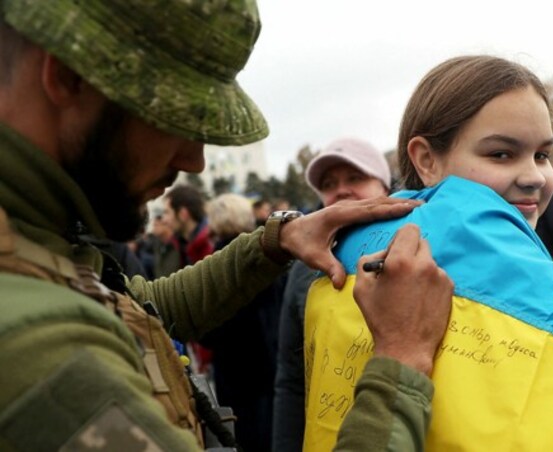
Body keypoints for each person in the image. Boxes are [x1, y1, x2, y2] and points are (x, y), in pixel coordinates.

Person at [0, 1, 451, 450]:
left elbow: (141, 306)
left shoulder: (36, 241)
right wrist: (401, 359)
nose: (193, 160)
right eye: (176, 121)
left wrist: (277, 242)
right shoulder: (35, 348)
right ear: (69, 77)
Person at [301, 55, 553, 451]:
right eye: (501, 154)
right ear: (426, 160)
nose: (534, 176)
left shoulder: (342, 258)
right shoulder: (505, 286)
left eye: (542, 154)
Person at [273, 137, 392, 451]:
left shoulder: (418, 244)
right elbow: (291, 378)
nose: (341, 190)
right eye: (329, 183)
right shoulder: (303, 269)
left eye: (355, 178)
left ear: (384, 185)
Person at [201, 193, 285, 451]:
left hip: (234, 364)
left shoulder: (218, 261)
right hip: (268, 359)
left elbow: (208, 320)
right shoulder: (267, 252)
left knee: (244, 434)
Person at [162, 185, 215, 268]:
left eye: (167, 212)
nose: (164, 220)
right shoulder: (180, 245)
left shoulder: (212, 248)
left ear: (183, 214)